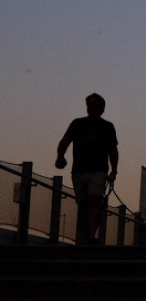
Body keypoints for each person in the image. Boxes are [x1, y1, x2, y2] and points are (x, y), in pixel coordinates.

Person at [55, 93, 119, 245]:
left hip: (98, 171)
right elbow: (65, 141)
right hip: (79, 170)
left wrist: (114, 170)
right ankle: (84, 236)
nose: (91, 108)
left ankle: (90, 236)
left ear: (102, 108)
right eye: (89, 105)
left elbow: (113, 150)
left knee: (94, 200)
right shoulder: (77, 124)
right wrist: (60, 156)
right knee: (83, 204)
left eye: (95, 105)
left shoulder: (107, 127)